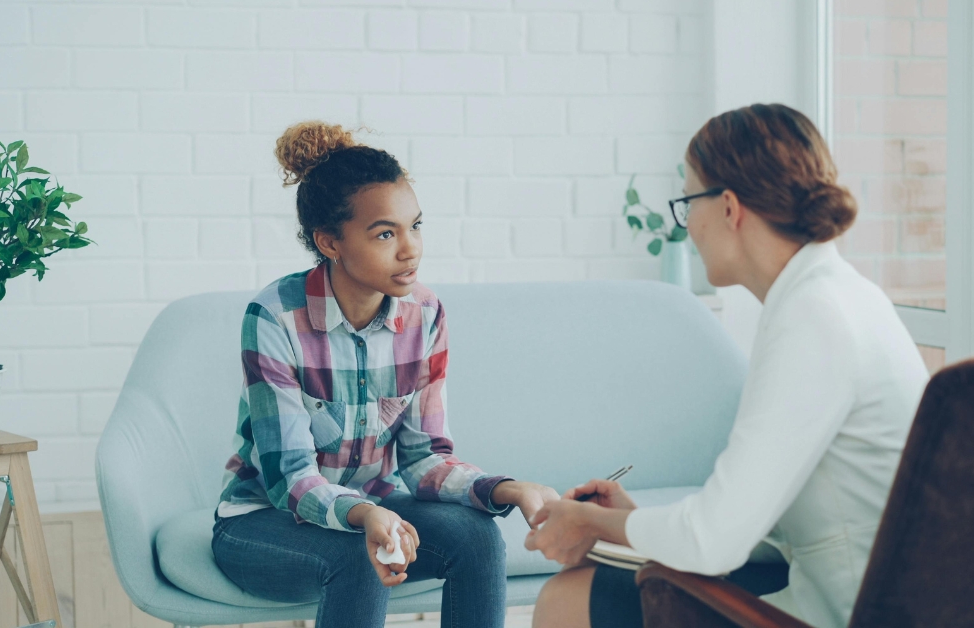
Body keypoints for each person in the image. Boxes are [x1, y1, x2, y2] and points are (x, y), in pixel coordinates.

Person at [526, 103, 930, 628]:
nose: (688, 223)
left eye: (687, 200)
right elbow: (760, 519)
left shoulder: (813, 318)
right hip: (864, 587)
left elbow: (714, 542)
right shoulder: (836, 296)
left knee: (566, 601)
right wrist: (623, 521)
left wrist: (591, 522)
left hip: (850, 611)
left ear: (729, 207)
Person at [211, 121, 558, 628]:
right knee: (360, 552)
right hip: (263, 523)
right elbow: (290, 480)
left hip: (374, 509)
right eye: (385, 234)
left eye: (415, 226)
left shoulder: (426, 314)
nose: (410, 248)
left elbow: (424, 459)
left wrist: (508, 489)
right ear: (330, 241)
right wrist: (367, 517)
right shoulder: (274, 316)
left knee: (478, 537)